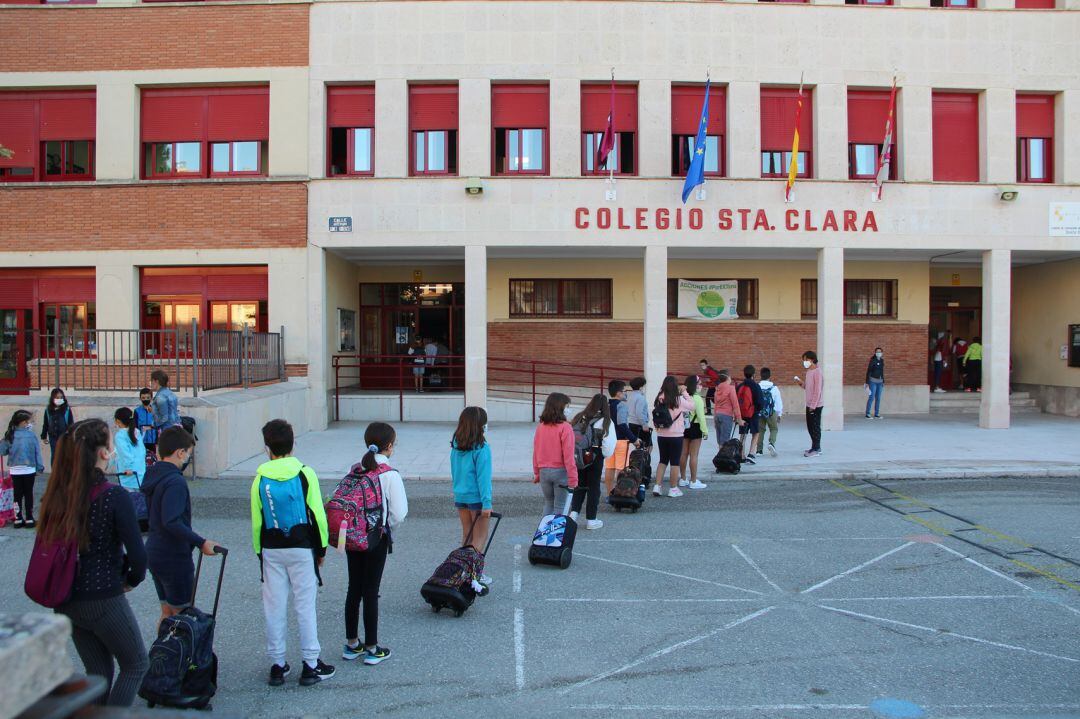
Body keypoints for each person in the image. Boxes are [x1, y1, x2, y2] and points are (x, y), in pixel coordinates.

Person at [37, 419, 148, 707]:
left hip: (66, 598)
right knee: (135, 664)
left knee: (98, 672)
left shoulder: (58, 493)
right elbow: (138, 557)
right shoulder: (114, 495)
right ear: (103, 453)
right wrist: (131, 580)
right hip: (103, 595)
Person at [251, 419, 334, 687]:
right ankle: (311, 664)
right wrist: (321, 548)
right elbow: (318, 515)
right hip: (301, 546)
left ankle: (277, 664)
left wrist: (259, 553)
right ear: (293, 444)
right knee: (305, 605)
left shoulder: (259, 478)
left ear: (267, 448)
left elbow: (256, 521)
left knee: (274, 606)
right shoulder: (304, 473)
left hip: (271, 548)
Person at [341, 422, 407, 667]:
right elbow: (399, 513)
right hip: (375, 537)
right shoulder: (389, 474)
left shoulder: (356, 469)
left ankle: (351, 643)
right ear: (389, 446)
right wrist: (385, 526)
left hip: (352, 535)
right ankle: (372, 647)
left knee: (353, 588)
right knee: (371, 590)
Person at [143, 426, 219, 627]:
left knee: (167, 612)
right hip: (173, 556)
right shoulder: (175, 481)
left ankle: (161, 655)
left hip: (154, 551)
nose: (188, 459)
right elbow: (172, 521)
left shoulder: (152, 475)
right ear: (180, 452)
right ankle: (182, 657)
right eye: (188, 454)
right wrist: (201, 542)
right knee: (183, 615)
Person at [450, 407, 493, 583]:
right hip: (477, 498)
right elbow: (484, 479)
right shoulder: (482, 449)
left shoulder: (455, 445)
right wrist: (487, 503)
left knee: (467, 535)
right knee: (480, 537)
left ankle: (463, 570)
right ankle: (475, 574)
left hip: (460, 496)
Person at [569, 394, 615, 529]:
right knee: (593, 488)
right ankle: (591, 519)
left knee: (579, 484)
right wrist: (603, 455)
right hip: (595, 456)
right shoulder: (605, 421)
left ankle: (573, 514)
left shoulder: (580, 417)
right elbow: (609, 444)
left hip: (579, 455)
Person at [532, 392, 579, 517]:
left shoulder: (541, 427)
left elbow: (536, 451)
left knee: (549, 503)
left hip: (543, 471)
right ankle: (557, 534)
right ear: (561, 407)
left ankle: (544, 532)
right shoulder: (566, 427)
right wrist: (573, 478)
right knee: (560, 506)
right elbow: (568, 455)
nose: (569, 409)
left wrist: (537, 472)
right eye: (567, 406)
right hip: (560, 471)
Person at [1, 409, 45, 528]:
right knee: (28, 493)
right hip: (29, 468)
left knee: (17, 494)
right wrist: (40, 467)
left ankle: (18, 518)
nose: (31, 423)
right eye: (30, 421)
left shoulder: (10, 434)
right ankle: (29, 518)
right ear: (24, 422)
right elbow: (37, 453)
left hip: (15, 469)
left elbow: (3, 450)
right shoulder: (31, 435)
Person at [652, 376, 693, 498]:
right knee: (675, 462)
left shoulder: (659, 398)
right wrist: (685, 392)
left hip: (662, 434)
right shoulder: (678, 399)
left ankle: (657, 486)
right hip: (676, 435)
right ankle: (673, 488)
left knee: (663, 460)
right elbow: (692, 406)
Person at [604, 380, 640, 494]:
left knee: (609, 467)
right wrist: (634, 439)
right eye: (625, 391)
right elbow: (622, 424)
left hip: (608, 440)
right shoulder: (621, 406)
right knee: (621, 468)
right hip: (620, 441)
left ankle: (609, 493)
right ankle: (621, 493)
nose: (626, 394)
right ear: (619, 393)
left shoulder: (606, 405)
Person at [678, 375, 708, 489]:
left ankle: (683, 478)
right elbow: (701, 417)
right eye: (699, 383)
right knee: (694, 455)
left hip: (683, 426)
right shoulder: (697, 398)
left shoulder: (682, 397)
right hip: (695, 427)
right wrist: (705, 431)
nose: (701, 385)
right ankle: (693, 480)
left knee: (683, 453)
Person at [794, 351, 823, 458]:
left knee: (815, 427)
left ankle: (817, 448)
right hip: (809, 404)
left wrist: (813, 406)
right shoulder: (809, 372)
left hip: (815, 405)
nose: (804, 362)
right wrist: (801, 383)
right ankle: (813, 446)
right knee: (810, 427)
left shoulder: (817, 372)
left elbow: (817, 390)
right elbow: (808, 387)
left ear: (811, 360)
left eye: (806, 360)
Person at [110, 408, 145, 491]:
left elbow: (124, 453)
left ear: (118, 421)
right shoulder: (137, 432)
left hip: (128, 475)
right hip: (140, 473)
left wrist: (128, 467)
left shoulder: (120, 435)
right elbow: (142, 451)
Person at [737, 366, 765, 464]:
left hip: (742, 414)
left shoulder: (740, 386)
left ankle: (741, 455)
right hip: (753, 414)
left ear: (744, 374)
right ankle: (751, 454)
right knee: (756, 433)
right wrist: (757, 409)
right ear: (754, 374)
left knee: (743, 434)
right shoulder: (756, 386)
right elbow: (760, 402)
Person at [755, 368, 783, 457]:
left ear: (761, 375)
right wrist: (779, 414)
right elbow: (778, 402)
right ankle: (771, 443)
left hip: (760, 412)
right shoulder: (774, 388)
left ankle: (759, 450)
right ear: (769, 376)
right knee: (774, 428)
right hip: (771, 412)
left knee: (760, 430)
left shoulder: (757, 386)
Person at [41, 387, 74, 462]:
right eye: (57, 397)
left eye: (61, 397)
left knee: (64, 455)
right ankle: (54, 471)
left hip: (64, 436)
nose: (59, 399)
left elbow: (71, 423)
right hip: (53, 436)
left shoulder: (67, 409)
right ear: (52, 398)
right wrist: (44, 436)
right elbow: (46, 423)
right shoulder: (48, 410)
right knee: (55, 454)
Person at [711, 371, 744, 447]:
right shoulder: (731, 388)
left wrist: (714, 418)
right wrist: (739, 419)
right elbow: (735, 404)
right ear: (728, 377)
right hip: (726, 416)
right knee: (725, 441)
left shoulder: (717, 389)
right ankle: (723, 458)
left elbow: (716, 405)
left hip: (717, 415)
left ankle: (720, 457)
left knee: (720, 441)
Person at [625, 376, 652, 448]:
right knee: (648, 446)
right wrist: (644, 424)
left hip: (630, 423)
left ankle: (636, 459)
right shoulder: (640, 398)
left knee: (637, 446)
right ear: (640, 387)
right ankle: (643, 459)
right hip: (639, 425)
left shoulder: (629, 396)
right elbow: (639, 413)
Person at [134, 387, 158, 456]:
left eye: (148, 397)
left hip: (153, 441)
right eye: (143, 398)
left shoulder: (155, 411)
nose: (145, 400)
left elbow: (158, 425)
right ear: (140, 398)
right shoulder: (137, 411)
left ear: (151, 398)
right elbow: (135, 427)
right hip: (141, 441)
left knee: (153, 460)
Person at [865, 347, 886, 419]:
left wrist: (883, 381)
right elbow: (869, 371)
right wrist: (867, 382)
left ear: (882, 353)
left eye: (880, 352)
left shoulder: (882, 361)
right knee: (871, 397)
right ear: (875, 353)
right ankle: (867, 414)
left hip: (880, 382)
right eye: (877, 352)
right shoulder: (872, 360)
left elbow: (882, 371)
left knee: (878, 398)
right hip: (872, 381)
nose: (879, 353)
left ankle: (876, 414)